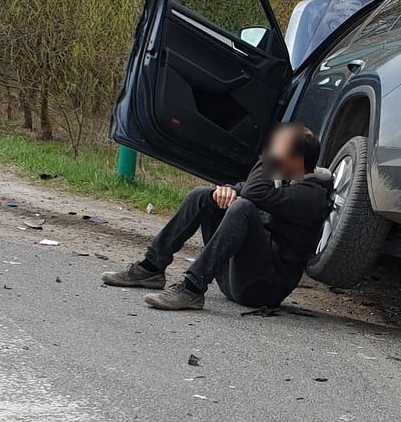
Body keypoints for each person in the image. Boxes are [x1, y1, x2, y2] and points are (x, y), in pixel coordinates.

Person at [103, 123, 331, 311]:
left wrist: (270, 158)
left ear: (297, 160)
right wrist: (226, 190)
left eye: (277, 150)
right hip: (233, 276)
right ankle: (151, 268)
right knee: (203, 196)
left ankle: (191, 289)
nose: (271, 152)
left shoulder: (312, 196)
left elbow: (254, 193)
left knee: (243, 208)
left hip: (261, 289)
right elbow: (245, 188)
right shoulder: (282, 178)